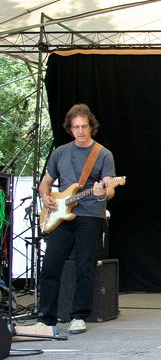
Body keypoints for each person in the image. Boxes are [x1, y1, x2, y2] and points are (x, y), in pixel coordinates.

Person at [37, 103, 116, 334]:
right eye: (76, 127)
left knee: (85, 266)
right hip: (60, 215)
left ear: (91, 126)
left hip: (90, 214)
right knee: (51, 265)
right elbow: (46, 182)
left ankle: (79, 315)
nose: (81, 131)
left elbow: (110, 187)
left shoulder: (102, 154)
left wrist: (104, 191)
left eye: (84, 126)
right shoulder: (60, 152)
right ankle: (46, 317)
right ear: (69, 129)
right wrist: (45, 196)